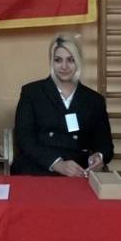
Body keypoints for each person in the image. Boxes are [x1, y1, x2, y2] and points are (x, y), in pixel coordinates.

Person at [12, 34, 114, 177]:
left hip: (78, 172)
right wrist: (57, 164)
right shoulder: (32, 93)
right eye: (58, 60)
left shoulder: (94, 100)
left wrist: (99, 156)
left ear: (79, 61)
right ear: (51, 61)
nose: (64, 66)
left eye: (71, 60)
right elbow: (25, 140)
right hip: (37, 170)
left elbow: (106, 145)